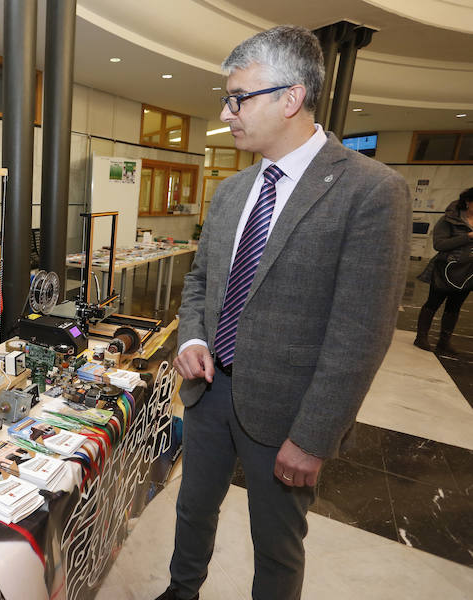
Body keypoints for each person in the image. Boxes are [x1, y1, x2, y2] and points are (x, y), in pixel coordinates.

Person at [156, 26, 410, 600]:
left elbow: (361, 333)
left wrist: (315, 437)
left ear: (290, 98)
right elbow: (201, 282)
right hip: (207, 391)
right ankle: (180, 590)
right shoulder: (230, 191)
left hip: (288, 412)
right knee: (192, 510)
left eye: (238, 97)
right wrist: (192, 339)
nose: (227, 111)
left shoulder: (368, 191)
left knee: (276, 544)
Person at [414, 188, 473, 355]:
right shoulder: (449, 220)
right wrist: (467, 237)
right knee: (433, 302)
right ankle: (421, 337)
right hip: (445, 268)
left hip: (468, 271)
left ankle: (444, 341)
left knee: (454, 307)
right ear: (468, 202)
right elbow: (439, 245)